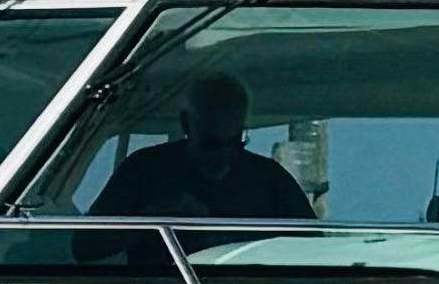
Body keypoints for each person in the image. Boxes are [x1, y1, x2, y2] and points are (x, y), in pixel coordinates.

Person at [88, 67, 318, 230]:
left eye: (235, 144)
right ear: (187, 123)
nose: (224, 156)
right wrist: (154, 219)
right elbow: (85, 247)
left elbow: (312, 251)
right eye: (211, 143)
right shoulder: (144, 170)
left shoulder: (271, 180)